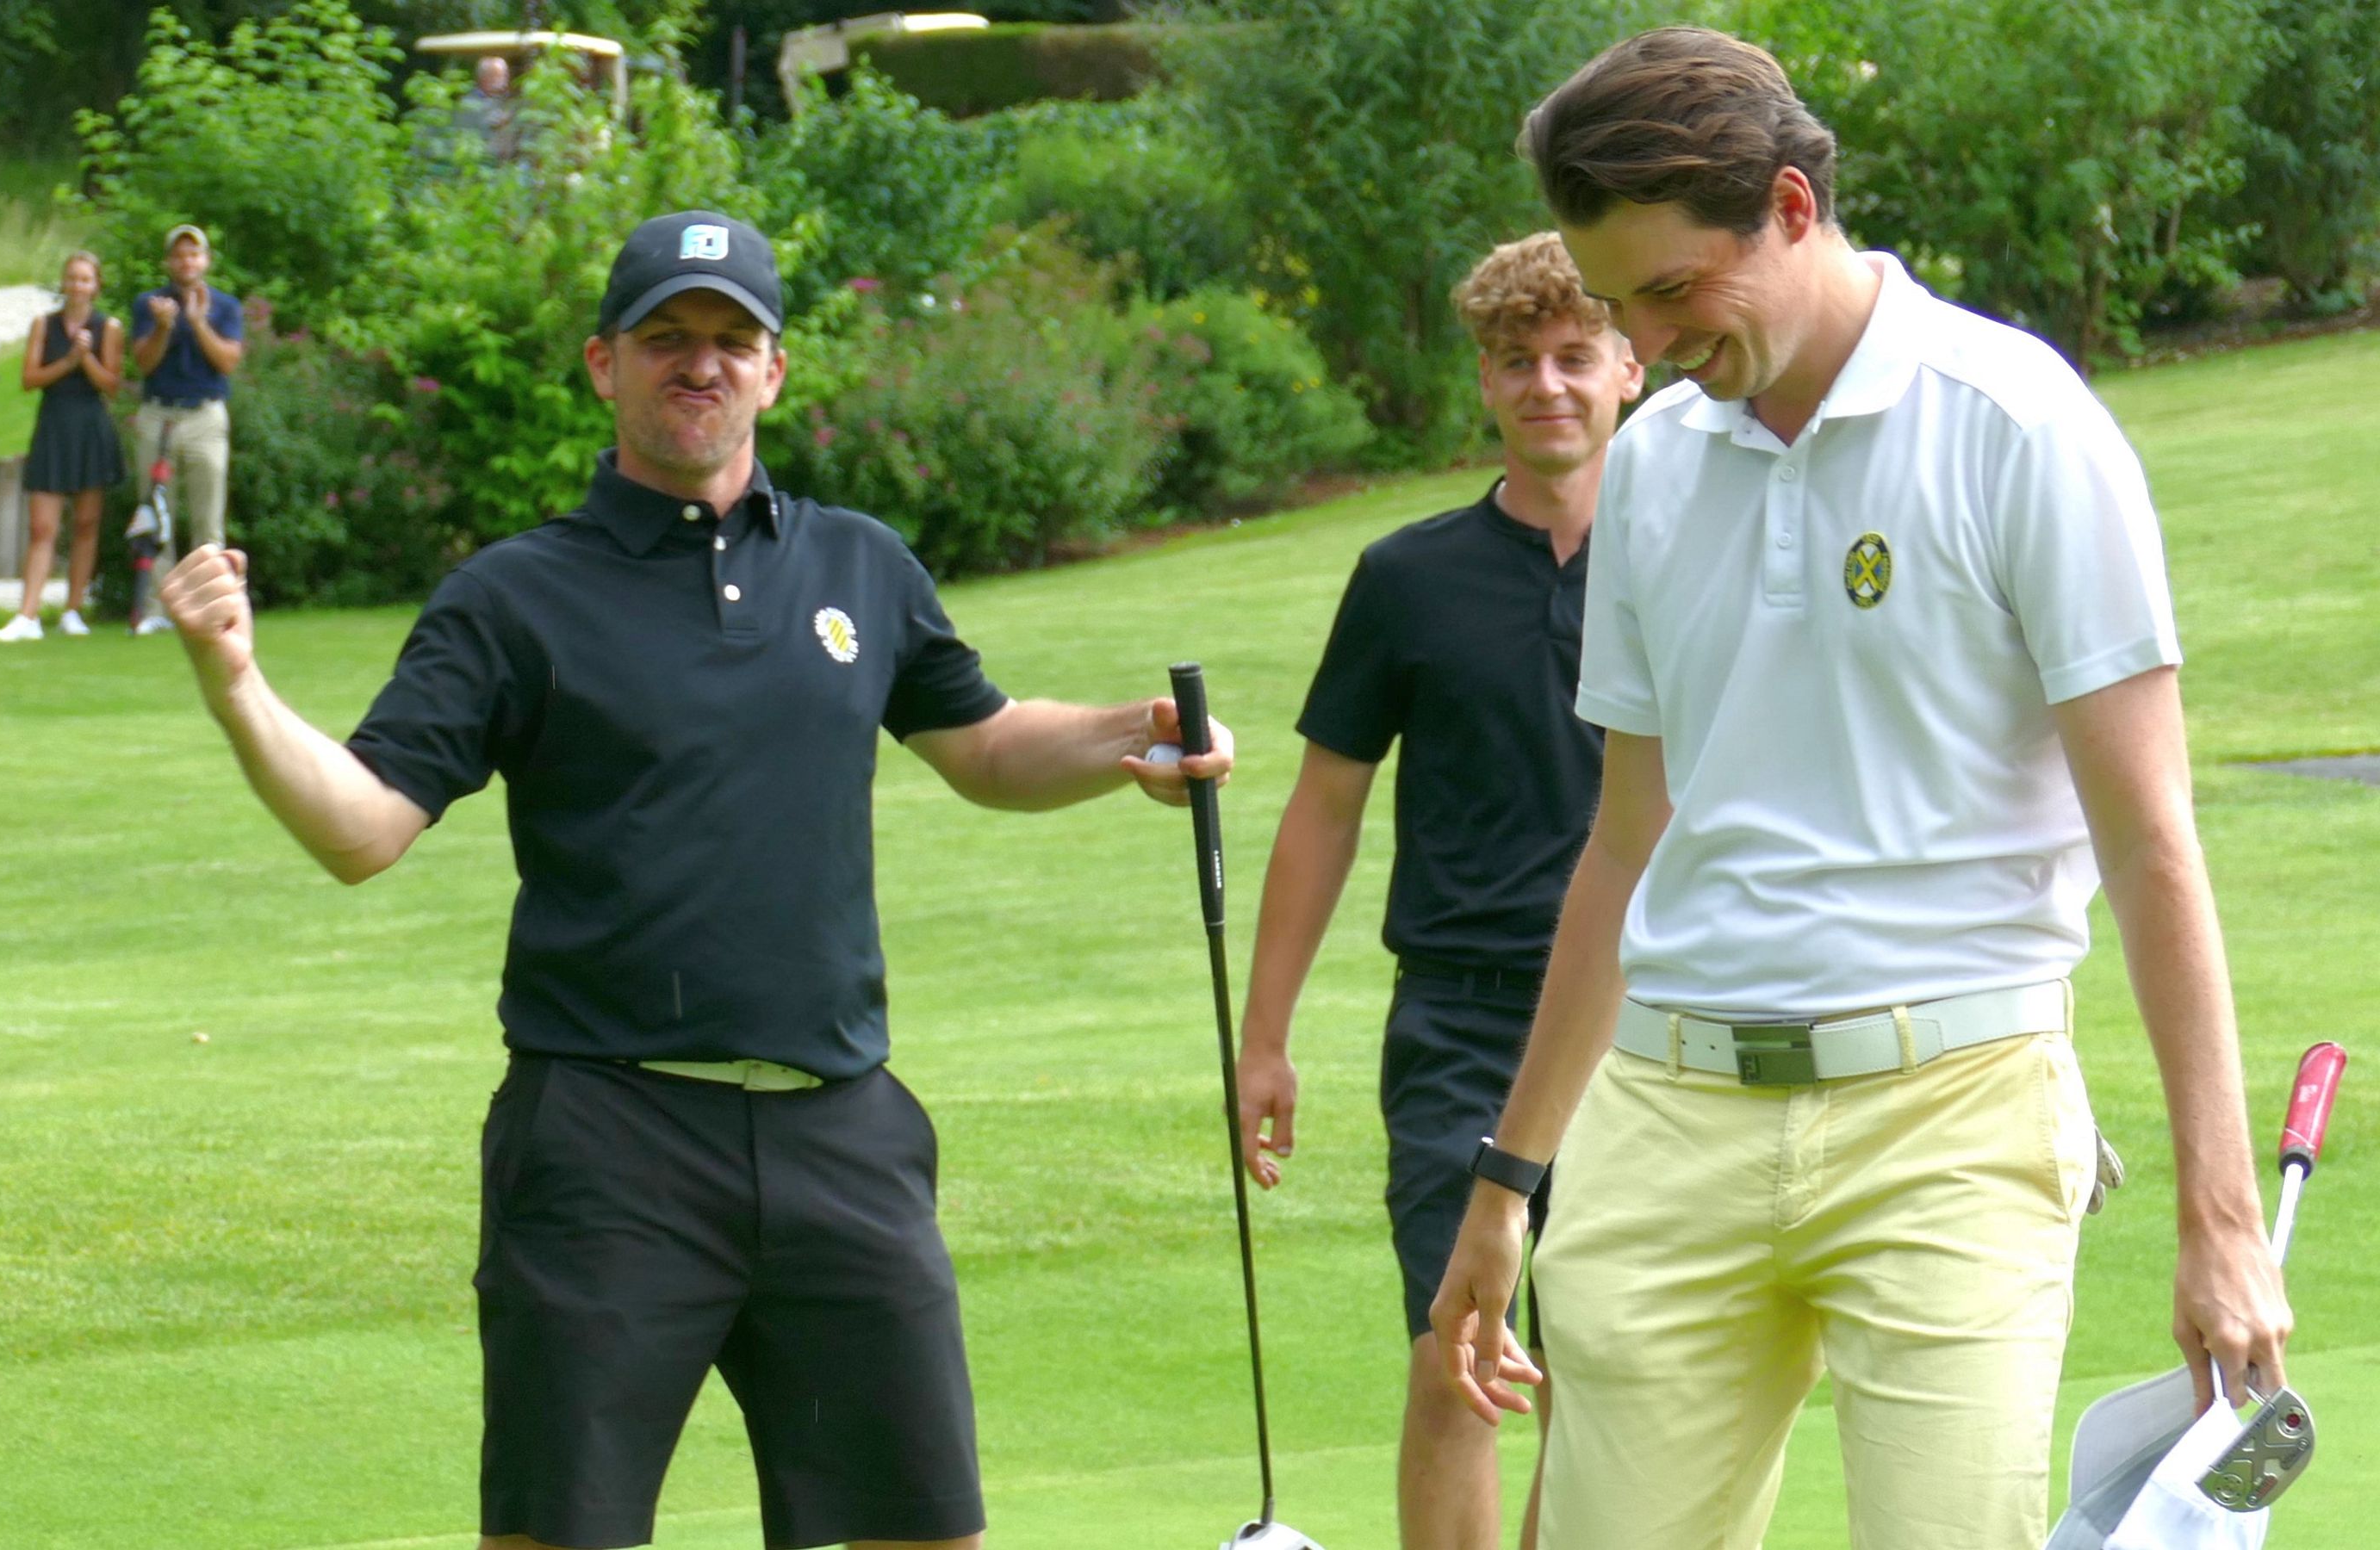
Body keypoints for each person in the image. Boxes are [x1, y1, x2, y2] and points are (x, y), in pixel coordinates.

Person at [156, 209, 1236, 1550]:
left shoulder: (861, 567)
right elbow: (363, 829)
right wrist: (238, 684)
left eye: (735, 340)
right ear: (604, 363)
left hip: (842, 1129)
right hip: (608, 1142)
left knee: (929, 1533)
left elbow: (985, 744)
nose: (703, 365)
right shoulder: (514, 599)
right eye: (669, 338)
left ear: (775, 372)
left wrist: (1131, 735)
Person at [1428, 28, 2291, 1550]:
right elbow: (1626, 846)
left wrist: (2221, 1222)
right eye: (1619, 301)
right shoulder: (1651, 468)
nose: (1650, 338)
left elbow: (2152, 842)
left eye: (1675, 292)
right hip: (1662, 1118)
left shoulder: (2018, 425)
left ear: (1790, 208)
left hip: (1953, 1116)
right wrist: (1510, 1184)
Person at [1234, 232, 1636, 1550]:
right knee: (1459, 1348)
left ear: (1631, 365)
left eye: (1577, 356)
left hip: (1653, 1029)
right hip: (1462, 1027)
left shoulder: (1691, 562)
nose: (1549, 386)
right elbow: (1324, 809)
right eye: (1517, 361)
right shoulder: (1408, 579)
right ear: (1482, 382)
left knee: (1617, 1376)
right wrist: (1266, 1036)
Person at [0, 251, 127, 642]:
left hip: (90, 427)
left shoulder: (109, 327)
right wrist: (69, 360)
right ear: (63, 282)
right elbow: (29, 378)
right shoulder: (44, 325)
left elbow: (112, 384)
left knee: (86, 524)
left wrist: (85, 359)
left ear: (96, 285)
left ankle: (73, 610)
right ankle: (28, 615)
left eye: (85, 279)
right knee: (42, 527)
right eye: (72, 278)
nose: (77, 286)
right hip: (54, 425)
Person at [129, 223, 241, 601]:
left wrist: (197, 322)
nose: (186, 261)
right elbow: (144, 363)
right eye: (179, 254)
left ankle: (209, 605)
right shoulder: (150, 304)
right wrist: (164, 327)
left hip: (205, 419)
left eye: (194, 254)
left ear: (205, 260)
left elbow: (227, 361)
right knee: (157, 518)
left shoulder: (225, 307)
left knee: (208, 521)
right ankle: (157, 611)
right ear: (168, 262)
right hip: (158, 417)